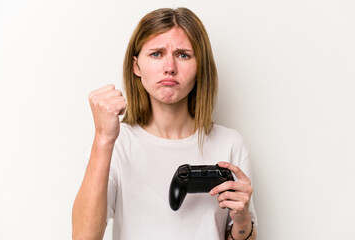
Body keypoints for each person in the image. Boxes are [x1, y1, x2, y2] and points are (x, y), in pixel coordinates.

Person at [72, 7, 257, 240]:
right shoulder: (116, 144)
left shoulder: (230, 144)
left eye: (183, 55)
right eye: (156, 54)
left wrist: (242, 220)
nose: (169, 67)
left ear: (200, 68)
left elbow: (242, 235)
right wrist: (103, 138)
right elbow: (83, 237)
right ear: (136, 66)